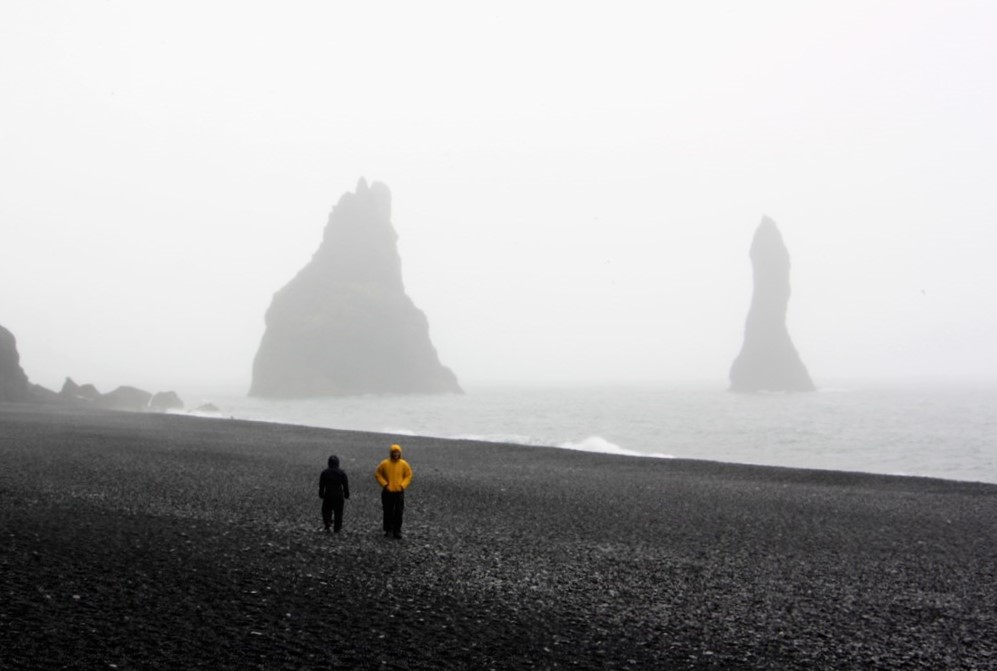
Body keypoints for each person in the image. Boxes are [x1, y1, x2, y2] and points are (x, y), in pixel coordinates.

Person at [375, 443, 412, 539]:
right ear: (391, 453)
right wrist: (384, 484)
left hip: (399, 492)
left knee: (399, 512)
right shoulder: (385, 463)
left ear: (400, 453)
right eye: (394, 452)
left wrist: (403, 485)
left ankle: (397, 530)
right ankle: (388, 530)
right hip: (388, 492)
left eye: (397, 452)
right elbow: (378, 474)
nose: (396, 454)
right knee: (388, 512)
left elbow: (408, 475)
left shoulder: (404, 464)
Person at [319, 455, 350, 533]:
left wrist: (321, 494)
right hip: (338, 495)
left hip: (328, 495)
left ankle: (328, 523)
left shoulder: (324, 473)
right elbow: (345, 485)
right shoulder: (342, 473)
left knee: (326, 510)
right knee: (338, 513)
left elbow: (321, 485)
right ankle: (337, 528)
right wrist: (346, 494)